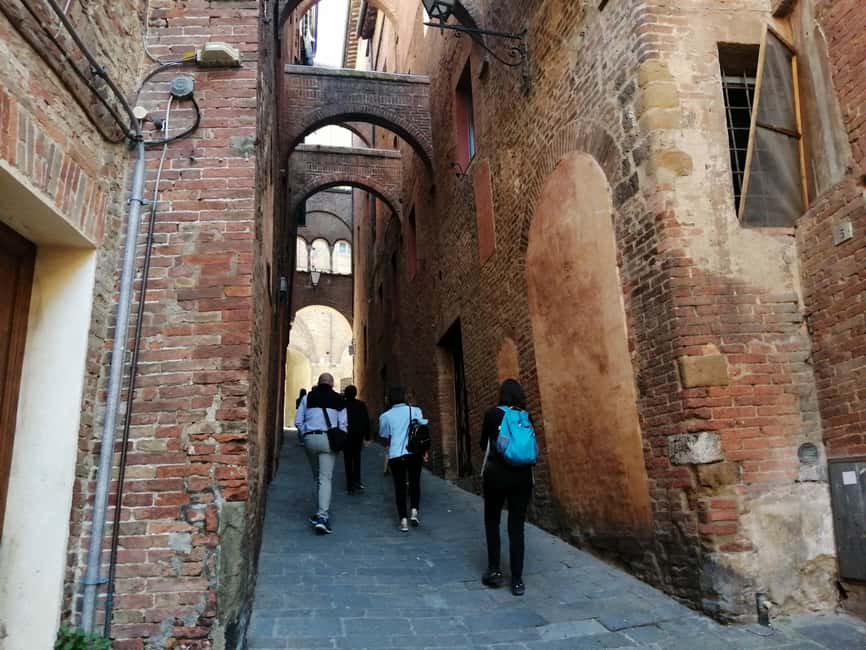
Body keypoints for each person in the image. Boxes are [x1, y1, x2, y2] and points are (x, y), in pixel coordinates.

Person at [480, 379, 533, 596]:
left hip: (496, 477)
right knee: (517, 527)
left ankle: (494, 570)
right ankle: (517, 580)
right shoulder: (526, 416)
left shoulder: (492, 414)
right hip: (523, 478)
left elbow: (483, 445)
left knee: (492, 521)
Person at [295, 373, 347, 534]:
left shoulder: (307, 398)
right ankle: (322, 517)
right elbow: (343, 424)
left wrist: (305, 433)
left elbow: (298, 421)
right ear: (332, 384)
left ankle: (319, 513)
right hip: (328, 440)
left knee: (317, 477)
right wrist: (339, 438)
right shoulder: (339, 400)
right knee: (325, 478)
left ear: (318, 383)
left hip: (310, 439)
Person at [378, 386, 428, 532]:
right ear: (404, 397)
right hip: (414, 452)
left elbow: (384, 434)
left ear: (390, 399)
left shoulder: (385, 416)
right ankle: (414, 511)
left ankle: (403, 521)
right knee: (415, 482)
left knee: (399, 487)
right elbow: (423, 427)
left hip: (396, 454)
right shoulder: (415, 411)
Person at [343, 385, 371, 493]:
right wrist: (367, 436)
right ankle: (357, 481)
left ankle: (349, 485)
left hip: (346, 436)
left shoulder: (342, 405)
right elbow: (366, 421)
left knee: (347, 461)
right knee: (357, 459)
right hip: (358, 436)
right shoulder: (361, 405)